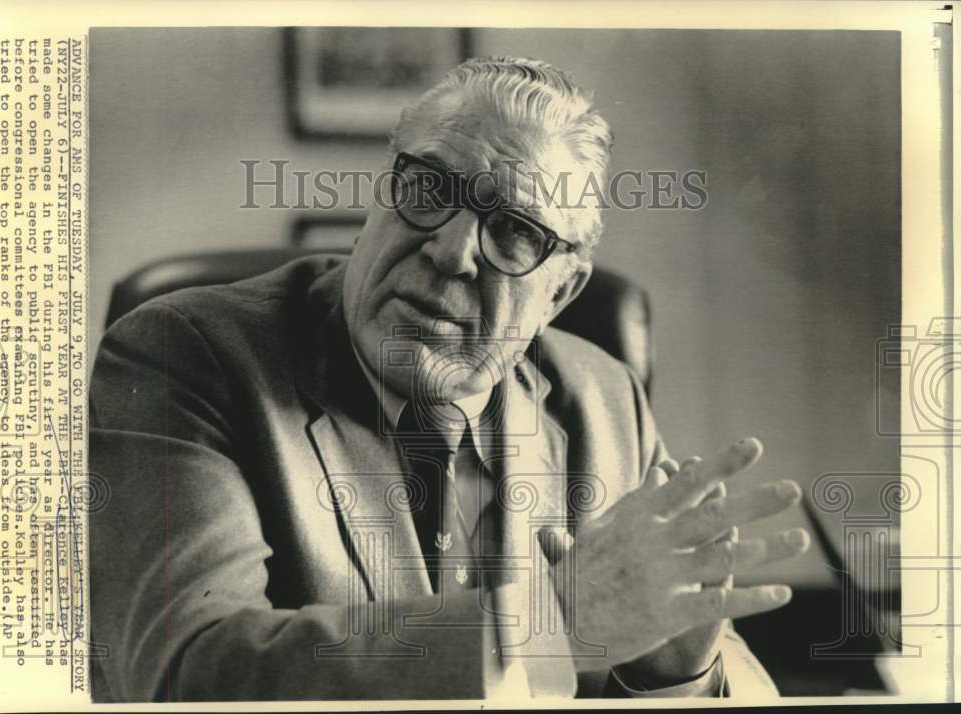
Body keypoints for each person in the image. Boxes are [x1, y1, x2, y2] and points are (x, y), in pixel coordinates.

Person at [88, 56, 810, 701]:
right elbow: (184, 674)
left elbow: (721, 673)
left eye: (516, 231)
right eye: (430, 187)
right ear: (383, 188)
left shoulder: (604, 398)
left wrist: (672, 676)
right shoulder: (183, 354)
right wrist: (544, 626)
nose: (451, 250)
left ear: (560, 294)